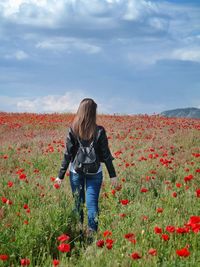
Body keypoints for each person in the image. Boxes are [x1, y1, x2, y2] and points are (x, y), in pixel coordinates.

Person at [55, 98, 118, 237]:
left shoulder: (73, 129)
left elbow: (67, 154)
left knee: (78, 203)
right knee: (92, 205)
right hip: (95, 172)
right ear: (92, 112)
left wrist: (60, 175)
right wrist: (113, 175)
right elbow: (106, 155)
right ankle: (91, 237)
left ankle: (78, 234)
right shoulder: (99, 131)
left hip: (75, 171)